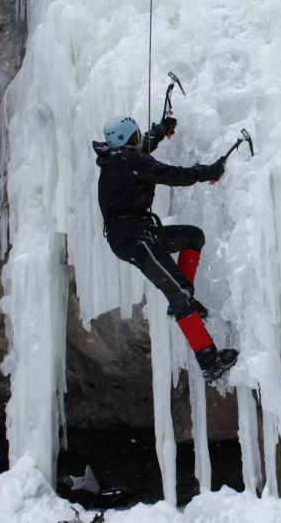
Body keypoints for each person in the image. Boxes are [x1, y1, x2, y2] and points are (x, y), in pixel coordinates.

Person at [94, 115, 238, 382]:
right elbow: (170, 175)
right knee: (179, 293)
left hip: (141, 233)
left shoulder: (120, 159)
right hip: (133, 239)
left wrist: (161, 130)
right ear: (127, 139)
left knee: (193, 237)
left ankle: (182, 300)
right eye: (136, 134)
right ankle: (209, 362)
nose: (139, 137)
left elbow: (143, 149)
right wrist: (207, 172)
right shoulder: (129, 161)